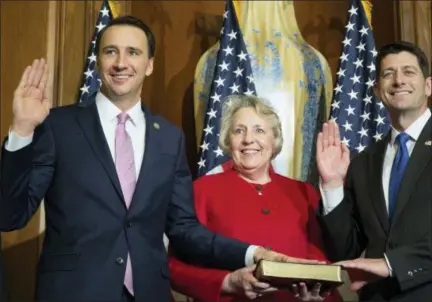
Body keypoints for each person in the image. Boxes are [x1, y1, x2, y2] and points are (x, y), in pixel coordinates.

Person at [0, 16, 305, 302]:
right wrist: (22, 130)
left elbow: (185, 230)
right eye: (110, 52)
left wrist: (253, 254)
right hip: (74, 292)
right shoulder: (58, 126)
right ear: (98, 62)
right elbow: (10, 215)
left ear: (149, 64)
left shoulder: (169, 139)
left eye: (133, 52)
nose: (121, 63)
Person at [169, 95, 341, 302]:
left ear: (274, 139)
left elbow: (320, 258)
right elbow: (173, 267)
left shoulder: (303, 192)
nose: (248, 139)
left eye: (259, 130)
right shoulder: (201, 190)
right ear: (227, 140)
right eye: (239, 130)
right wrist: (227, 282)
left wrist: (319, 293)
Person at [316, 41, 432, 301]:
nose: (398, 80)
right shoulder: (363, 162)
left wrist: (391, 264)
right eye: (388, 74)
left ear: (428, 86)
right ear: (378, 90)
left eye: (409, 72)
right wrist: (333, 185)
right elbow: (344, 250)